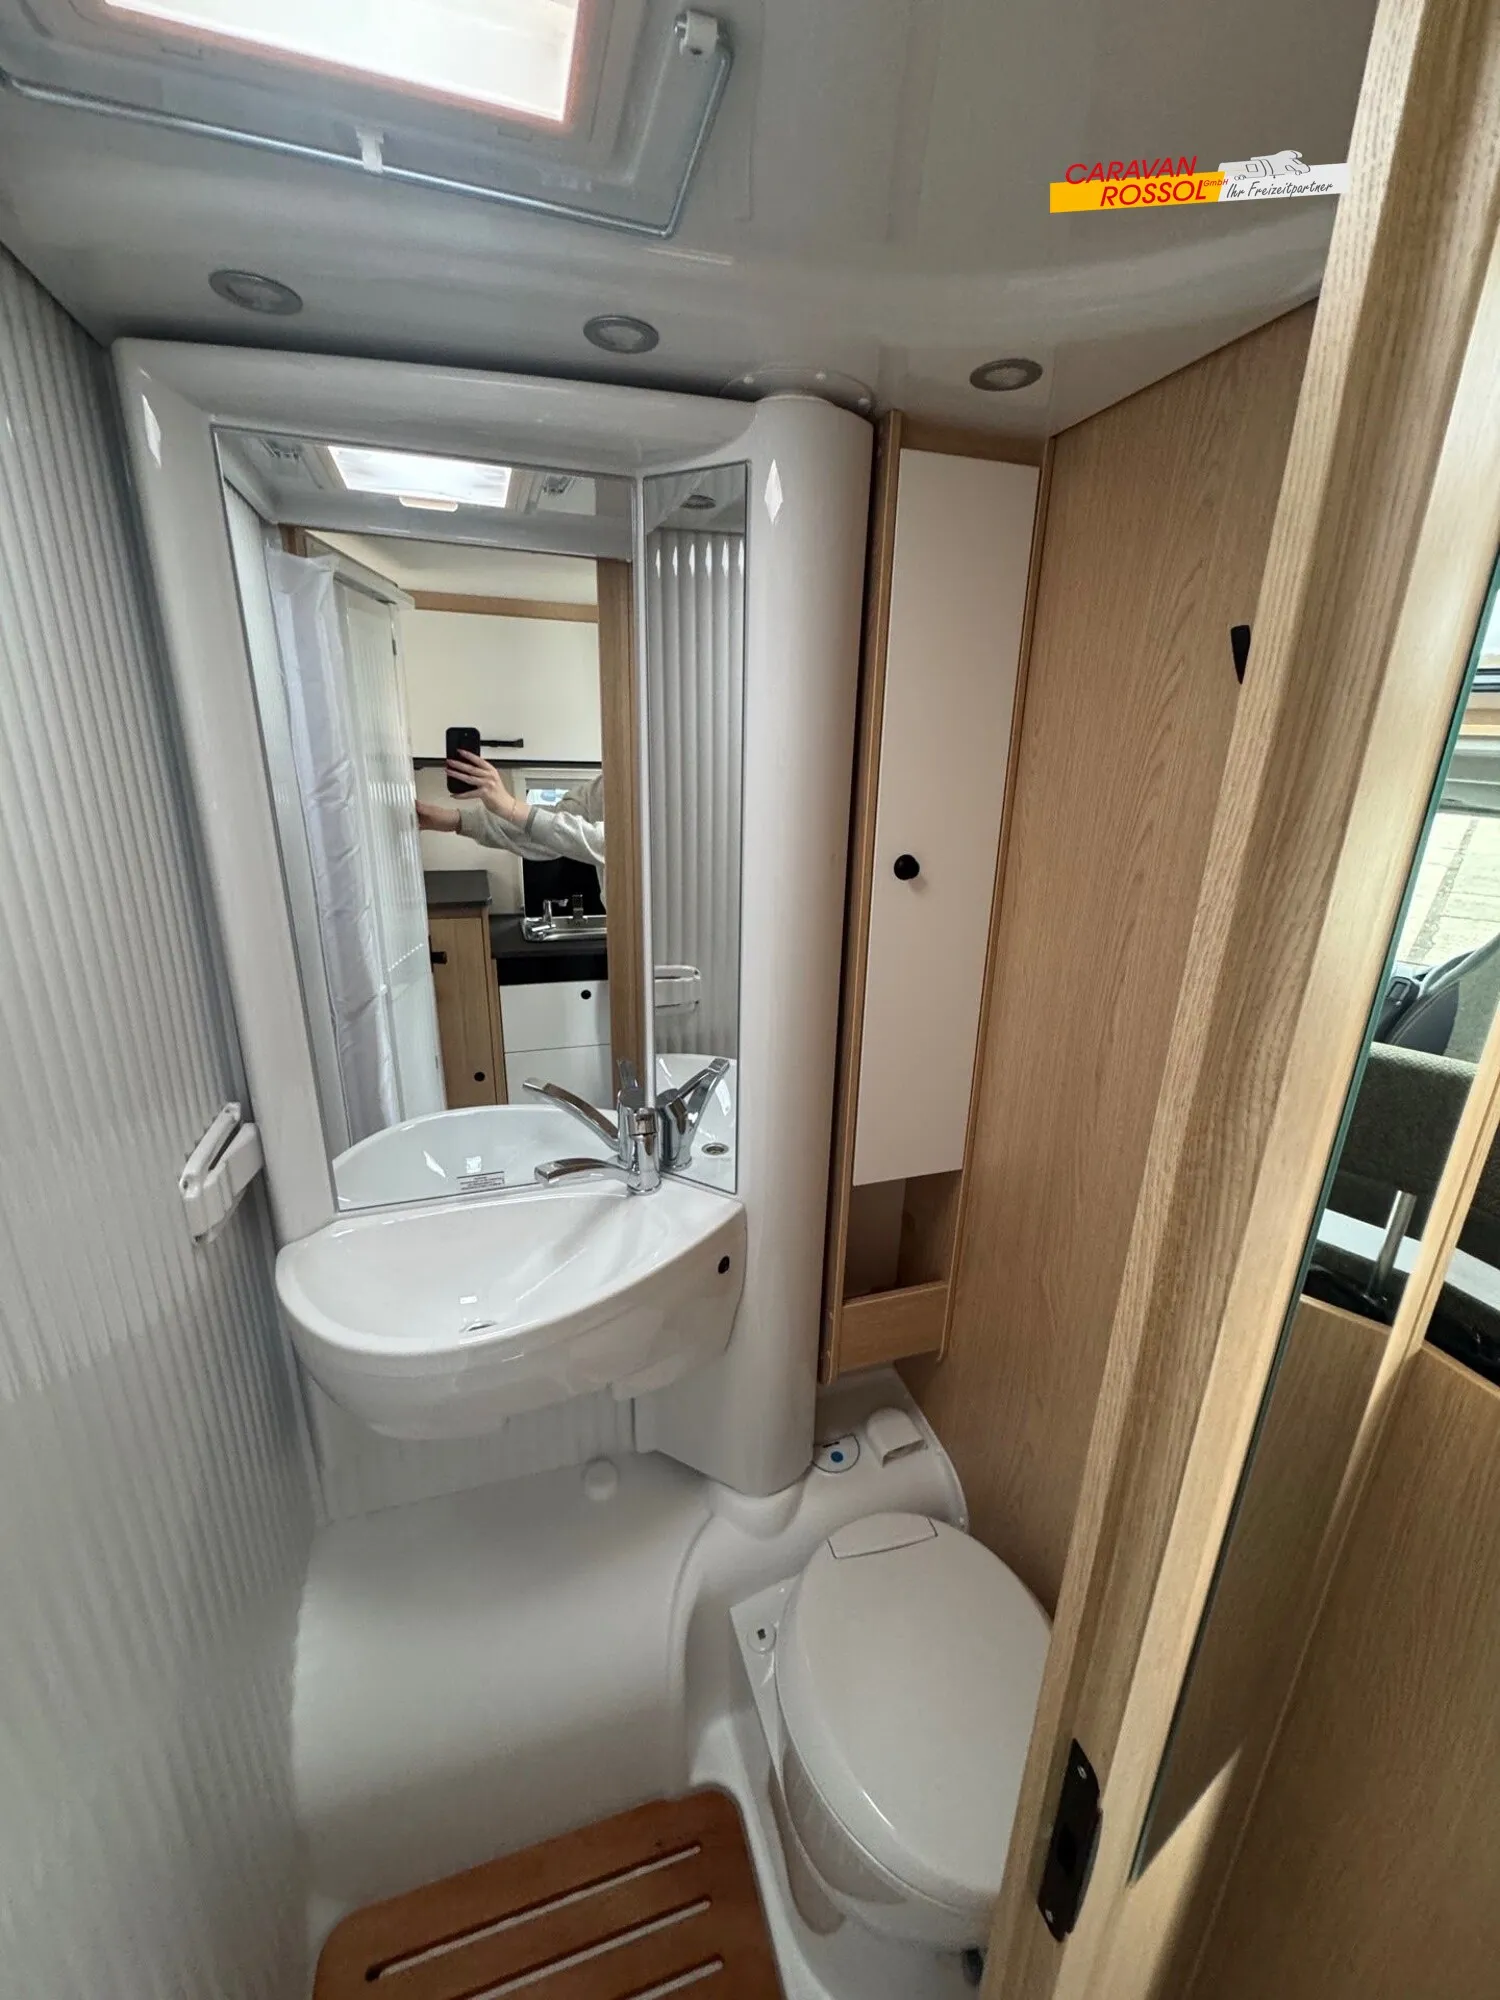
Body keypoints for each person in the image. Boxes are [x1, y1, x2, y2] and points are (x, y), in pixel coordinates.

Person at [416, 748, 607, 900]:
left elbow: (606, 844)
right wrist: (456, 820)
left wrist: (511, 807)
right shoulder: (602, 788)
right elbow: (546, 833)